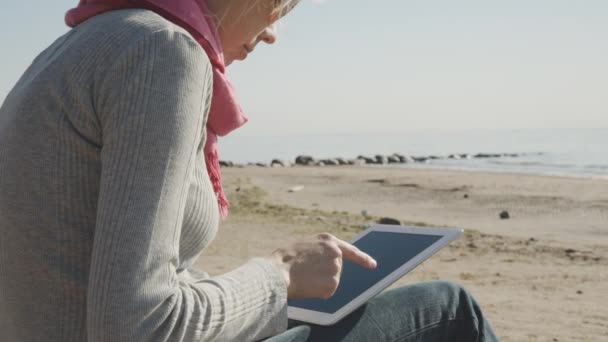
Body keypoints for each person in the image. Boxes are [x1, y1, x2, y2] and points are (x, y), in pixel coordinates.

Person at [0, 0, 499, 341]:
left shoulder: (76, 46)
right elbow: (138, 329)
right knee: (450, 308)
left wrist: (265, 299)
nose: (274, 32)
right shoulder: (161, 53)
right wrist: (278, 274)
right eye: (279, 4)